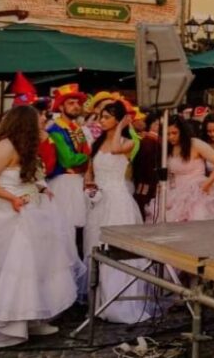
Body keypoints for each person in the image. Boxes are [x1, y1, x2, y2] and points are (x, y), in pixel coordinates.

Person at [0, 106, 81, 348]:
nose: (43, 120)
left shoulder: (25, 146)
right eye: (38, 118)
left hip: (31, 213)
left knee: (38, 268)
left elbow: (24, 175)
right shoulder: (6, 145)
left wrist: (40, 187)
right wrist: (12, 198)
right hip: (10, 216)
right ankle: (10, 325)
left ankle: (33, 317)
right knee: (18, 270)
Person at [82, 102, 157, 324]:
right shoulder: (97, 143)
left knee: (115, 250)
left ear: (118, 119)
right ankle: (100, 301)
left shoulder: (130, 142)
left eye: (106, 117)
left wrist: (123, 126)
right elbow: (90, 170)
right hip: (99, 201)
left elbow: (115, 150)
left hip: (118, 201)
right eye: (100, 116)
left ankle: (120, 303)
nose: (101, 120)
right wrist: (89, 184)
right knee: (95, 247)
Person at [45, 84, 91, 254]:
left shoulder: (76, 128)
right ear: (61, 106)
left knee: (71, 231)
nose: (76, 106)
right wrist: (88, 157)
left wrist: (84, 158)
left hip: (74, 182)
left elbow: (81, 154)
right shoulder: (55, 129)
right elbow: (68, 160)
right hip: (63, 183)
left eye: (77, 103)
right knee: (63, 230)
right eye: (71, 103)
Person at [157, 118, 214, 223]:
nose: (171, 137)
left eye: (174, 133)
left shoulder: (195, 144)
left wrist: (206, 184)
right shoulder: (168, 147)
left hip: (196, 191)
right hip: (175, 192)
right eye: (167, 134)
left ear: (182, 132)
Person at [132, 111, 161, 220]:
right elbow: (145, 166)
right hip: (148, 183)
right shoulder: (148, 141)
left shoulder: (151, 140)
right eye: (157, 124)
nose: (160, 127)